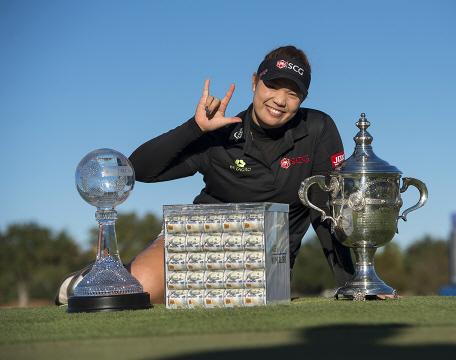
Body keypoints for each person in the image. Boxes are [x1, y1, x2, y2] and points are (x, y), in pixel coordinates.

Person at [56, 46, 355, 305]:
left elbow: (325, 210)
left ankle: (117, 275)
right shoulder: (219, 133)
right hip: (196, 239)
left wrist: (353, 281)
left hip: (266, 262)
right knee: (139, 289)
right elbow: (139, 171)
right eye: (272, 86)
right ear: (254, 81)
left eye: (293, 93)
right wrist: (195, 128)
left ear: (303, 97)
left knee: (245, 299)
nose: (280, 99)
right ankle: (93, 279)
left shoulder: (318, 129)